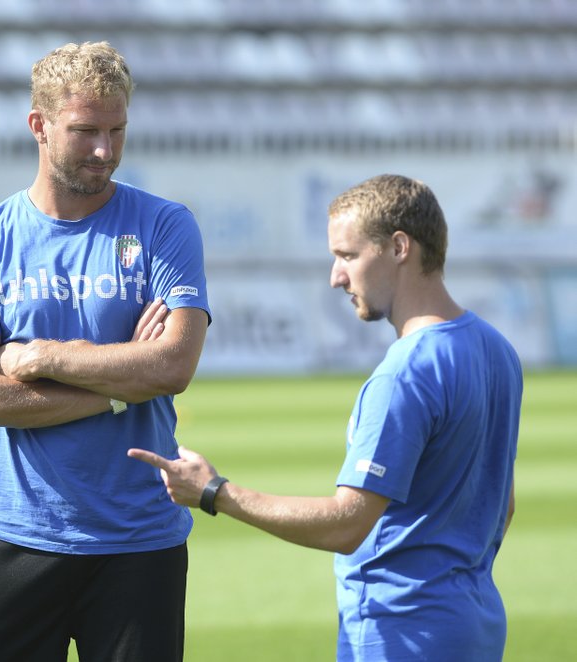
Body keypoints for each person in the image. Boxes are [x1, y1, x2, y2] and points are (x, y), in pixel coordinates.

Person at [130, 174, 521, 661]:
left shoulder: (404, 375)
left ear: (400, 247)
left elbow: (345, 526)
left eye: (348, 255)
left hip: (401, 631)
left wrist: (213, 492)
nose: (336, 276)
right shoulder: (497, 350)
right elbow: (500, 507)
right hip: (476, 624)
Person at [0, 41, 211, 661]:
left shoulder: (166, 226)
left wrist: (40, 357)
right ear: (39, 125)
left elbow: (172, 365)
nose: (105, 151)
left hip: (140, 541)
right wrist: (118, 384)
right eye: (86, 131)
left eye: (117, 130)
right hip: (14, 534)